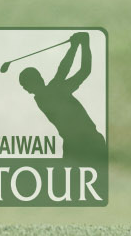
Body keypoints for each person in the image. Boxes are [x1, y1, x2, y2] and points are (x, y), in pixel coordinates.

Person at [21, 36, 108, 177]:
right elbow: (68, 70)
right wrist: (79, 45)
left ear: (36, 81)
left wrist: (80, 45)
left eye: (25, 84)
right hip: (83, 143)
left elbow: (79, 70)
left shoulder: (53, 90)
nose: (25, 89)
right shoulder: (48, 94)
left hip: (82, 143)